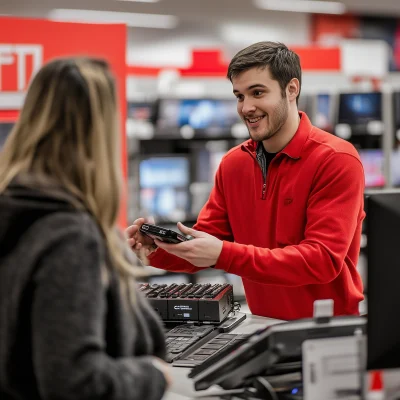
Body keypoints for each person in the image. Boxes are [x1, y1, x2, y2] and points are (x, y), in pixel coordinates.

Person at [126, 41, 365, 321]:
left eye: (257, 93)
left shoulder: (336, 159)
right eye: (239, 96)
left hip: (327, 330)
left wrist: (224, 254)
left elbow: (321, 261)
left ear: (292, 89)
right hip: (262, 324)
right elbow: (207, 242)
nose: (247, 107)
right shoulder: (233, 164)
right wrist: (157, 249)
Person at [0, 57, 171, 400]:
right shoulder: (70, 237)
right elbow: (75, 383)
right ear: (99, 132)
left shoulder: (20, 210)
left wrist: (113, 263)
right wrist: (152, 376)